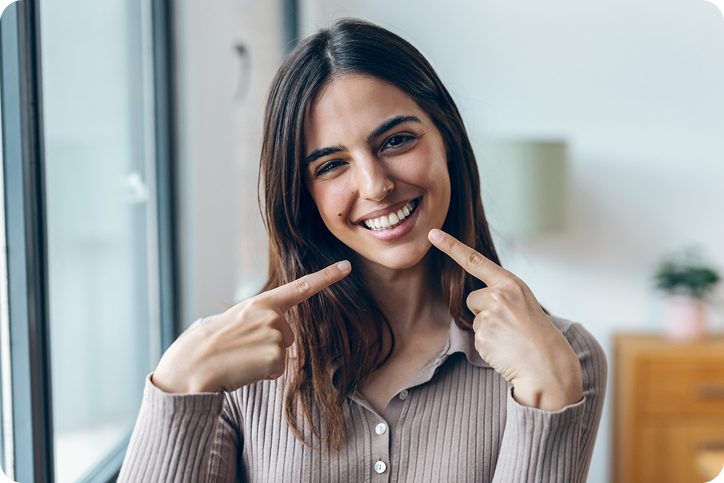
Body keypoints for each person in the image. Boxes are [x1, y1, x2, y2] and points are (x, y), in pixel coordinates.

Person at [118, 18, 606, 483]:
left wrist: (549, 398)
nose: (375, 186)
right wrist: (178, 384)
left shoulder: (564, 354)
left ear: (448, 141)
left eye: (396, 140)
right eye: (331, 165)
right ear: (301, 193)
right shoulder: (239, 365)